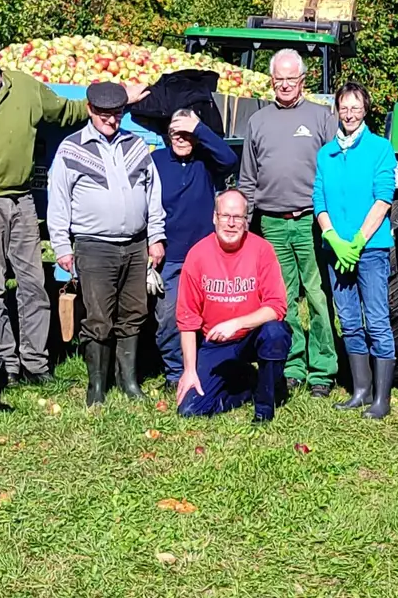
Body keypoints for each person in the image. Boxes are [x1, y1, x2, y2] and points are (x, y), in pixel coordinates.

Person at [0, 27, 148, 385]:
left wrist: (117, 99)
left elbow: (66, 111)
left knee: (33, 283)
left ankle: (36, 364)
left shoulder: (27, 88)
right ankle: (5, 365)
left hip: (21, 200)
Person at [48, 81, 167, 406]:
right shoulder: (71, 150)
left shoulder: (137, 145)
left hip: (134, 244)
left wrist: (155, 236)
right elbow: (58, 199)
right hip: (93, 245)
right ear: (89, 110)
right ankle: (96, 388)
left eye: (116, 114)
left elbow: (152, 193)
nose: (111, 121)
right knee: (98, 316)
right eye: (104, 115)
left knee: (134, 311)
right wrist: (61, 245)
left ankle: (127, 380)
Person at [236, 48, 339, 398]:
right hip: (272, 223)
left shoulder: (322, 117)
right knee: (282, 297)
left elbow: (335, 170)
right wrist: (246, 223)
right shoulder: (258, 121)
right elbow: (247, 177)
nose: (283, 85)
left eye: (290, 79)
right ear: (271, 81)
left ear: (302, 81)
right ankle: (292, 365)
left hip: (310, 220)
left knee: (317, 295)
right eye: (278, 79)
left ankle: (323, 369)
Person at [312, 82, 397, 419]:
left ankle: (382, 398)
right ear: (337, 110)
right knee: (348, 319)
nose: (349, 114)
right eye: (343, 108)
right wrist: (331, 236)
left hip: (370, 249)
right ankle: (360, 390)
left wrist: (359, 241)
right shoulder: (326, 153)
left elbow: (384, 197)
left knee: (376, 319)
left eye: (355, 107)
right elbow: (319, 197)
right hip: (336, 249)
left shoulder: (379, 149)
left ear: (365, 110)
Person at [175, 190, 292, 424]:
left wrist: (238, 323)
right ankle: (247, 384)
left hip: (252, 337)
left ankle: (264, 405)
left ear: (246, 220)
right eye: (225, 215)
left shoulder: (262, 250)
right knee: (190, 410)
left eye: (237, 217)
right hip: (216, 343)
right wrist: (189, 371)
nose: (230, 223)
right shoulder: (197, 255)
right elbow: (187, 319)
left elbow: (276, 307)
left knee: (275, 332)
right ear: (214, 217)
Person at [151, 108, 238, 392]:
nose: (181, 139)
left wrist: (199, 128)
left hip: (204, 255)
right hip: (171, 256)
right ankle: (175, 372)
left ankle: (208, 366)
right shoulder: (156, 161)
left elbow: (230, 158)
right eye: (177, 133)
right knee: (170, 317)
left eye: (188, 134)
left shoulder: (206, 162)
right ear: (168, 134)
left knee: (211, 312)